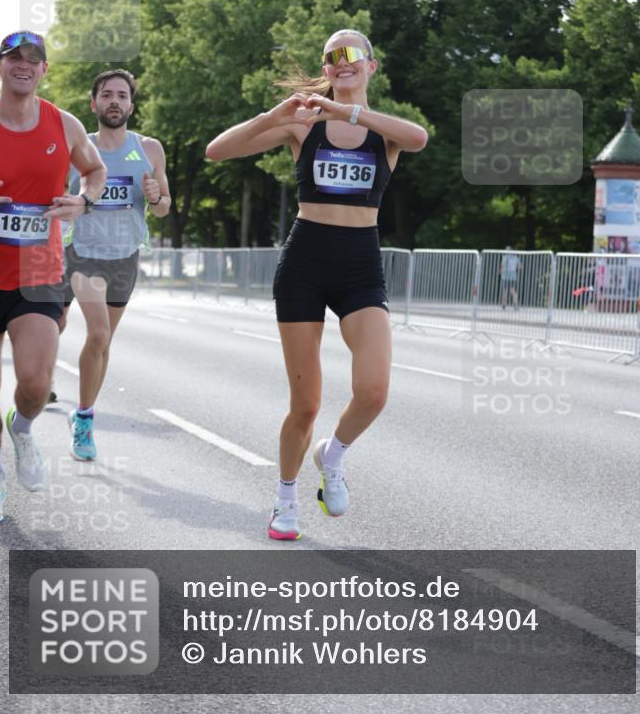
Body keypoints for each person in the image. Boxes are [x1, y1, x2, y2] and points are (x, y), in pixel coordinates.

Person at [205, 30, 428, 541]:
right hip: (305, 263)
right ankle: (285, 499)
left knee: (373, 391)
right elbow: (218, 152)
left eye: (353, 54)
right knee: (304, 404)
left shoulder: (384, 132)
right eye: (333, 57)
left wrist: (348, 114)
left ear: (372, 66)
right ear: (325, 71)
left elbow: (419, 138)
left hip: (359, 267)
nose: (343, 61)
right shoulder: (304, 127)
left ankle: (333, 455)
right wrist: (276, 116)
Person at [0, 31, 106, 523]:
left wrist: (83, 200)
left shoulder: (65, 123)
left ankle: (24, 429)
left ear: (44, 70)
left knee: (35, 383)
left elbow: (94, 172)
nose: (23, 64)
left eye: (32, 58)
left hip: (38, 271)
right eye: (13, 57)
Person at [58, 69, 170, 462]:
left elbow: (163, 207)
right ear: (94, 104)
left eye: (122, 95)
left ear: (131, 106)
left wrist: (156, 196)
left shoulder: (149, 149)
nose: (115, 101)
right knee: (99, 332)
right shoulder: (78, 147)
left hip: (125, 257)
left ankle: (82, 412)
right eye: (107, 95)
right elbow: (59, 194)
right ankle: (86, 420)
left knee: (104, 344)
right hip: (84, 252)